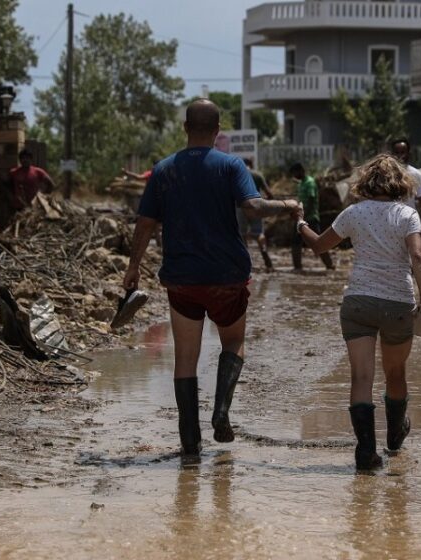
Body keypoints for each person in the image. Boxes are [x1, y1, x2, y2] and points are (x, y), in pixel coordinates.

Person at [122, 99, 301, 462]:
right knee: (233, 343)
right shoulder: (232, 165)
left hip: (182, 279)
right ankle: (221, 411)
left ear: (185, 128)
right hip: (227, 277)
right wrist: (288, 205)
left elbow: (145, 224)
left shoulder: (163, 170)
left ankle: (190, 443)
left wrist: (133, 266)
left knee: (185, 359)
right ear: (218, 131)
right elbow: (252, 207)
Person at [295, 154, 421, 471]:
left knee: (361, 377)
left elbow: (318, 246)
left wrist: (301, 222)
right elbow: (418, 259)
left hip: (358, 302)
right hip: (398, 302)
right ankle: (395, 436)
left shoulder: (353, 213)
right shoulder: (408, 215)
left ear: (365, 182)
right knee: (395, 373)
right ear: (401, 184)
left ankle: (366, 453)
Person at [289, 162, 334, 271]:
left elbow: (310, 199)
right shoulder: (301, 184)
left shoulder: (310, 182)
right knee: (295, 242)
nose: (294, 176)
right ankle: (297, 268)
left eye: (295, 173)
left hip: (311, 218)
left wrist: (302, 216)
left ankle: (330, 266)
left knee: (319, 242)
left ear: (300, 171)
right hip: (301, 218)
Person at [390, 138, 421, 248]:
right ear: (392, 154)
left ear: (408, 154)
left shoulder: (415, 174)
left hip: (409, 222)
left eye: (403, 152)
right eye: (397, 152)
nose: (400, 155)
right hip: (389, 223)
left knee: (413, 256)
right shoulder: (386, 174)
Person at [236, 158, 275, 270]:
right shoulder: (258, 175)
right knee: (259, 233)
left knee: (242, 234)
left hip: (241, 206)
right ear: (251, 164)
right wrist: (267, 201)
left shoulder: (236, 175)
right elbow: (269, 194)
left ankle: (245, 262)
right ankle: (264, 253)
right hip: (256, 205)